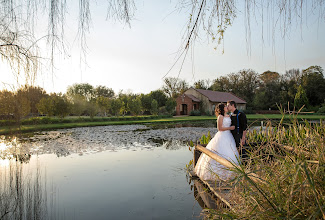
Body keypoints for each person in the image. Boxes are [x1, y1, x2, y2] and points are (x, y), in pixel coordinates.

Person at [195, 103, 240, 181]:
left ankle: (231, 173)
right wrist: (230, 128)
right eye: (225, 106)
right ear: (222, 109)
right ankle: (218, 173)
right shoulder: (220, 117)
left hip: (229, 136)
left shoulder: (228, 116)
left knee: (230, 153)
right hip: (222, 136)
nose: (227, 107)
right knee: (220, 152)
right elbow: (220, 128)